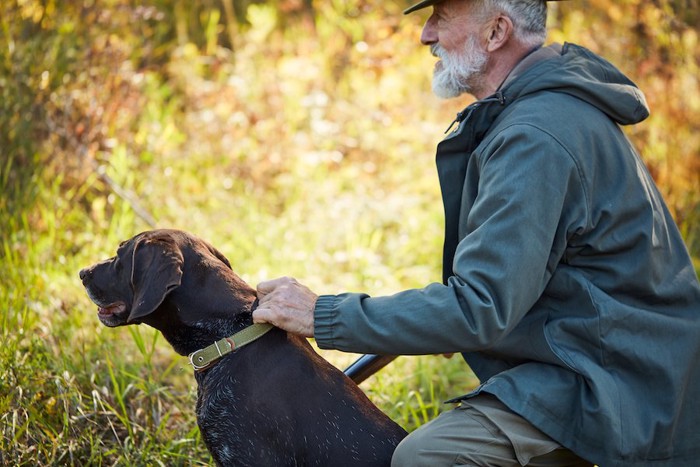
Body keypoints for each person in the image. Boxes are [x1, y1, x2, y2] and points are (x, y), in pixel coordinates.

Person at [252, 0, 700, 465]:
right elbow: (524, 284)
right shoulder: (542, 109)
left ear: (495, 32)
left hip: (622, 387)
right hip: (613, 362)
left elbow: (479, 308)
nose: (426, 35)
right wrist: (443, 325)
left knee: (428, 457)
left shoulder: (535, 135)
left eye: (440, 19)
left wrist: (322, 315)